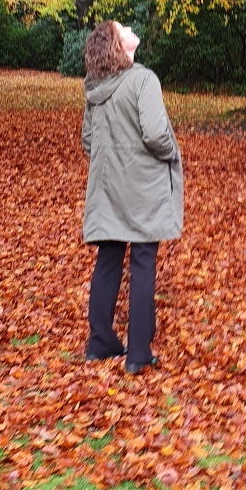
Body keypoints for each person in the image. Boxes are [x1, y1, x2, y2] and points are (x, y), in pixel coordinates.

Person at [81, 19, 183, 374]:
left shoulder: (96, 88)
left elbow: (89, 142)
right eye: (121, 27)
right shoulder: (143, 79)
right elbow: (156, 134)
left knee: (108, 261)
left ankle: (100, 343)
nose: (127, 26)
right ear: (119, 45)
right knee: (142, 263)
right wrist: (172, 152)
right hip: (142, 187)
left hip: (108, 187)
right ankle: (138, 353)